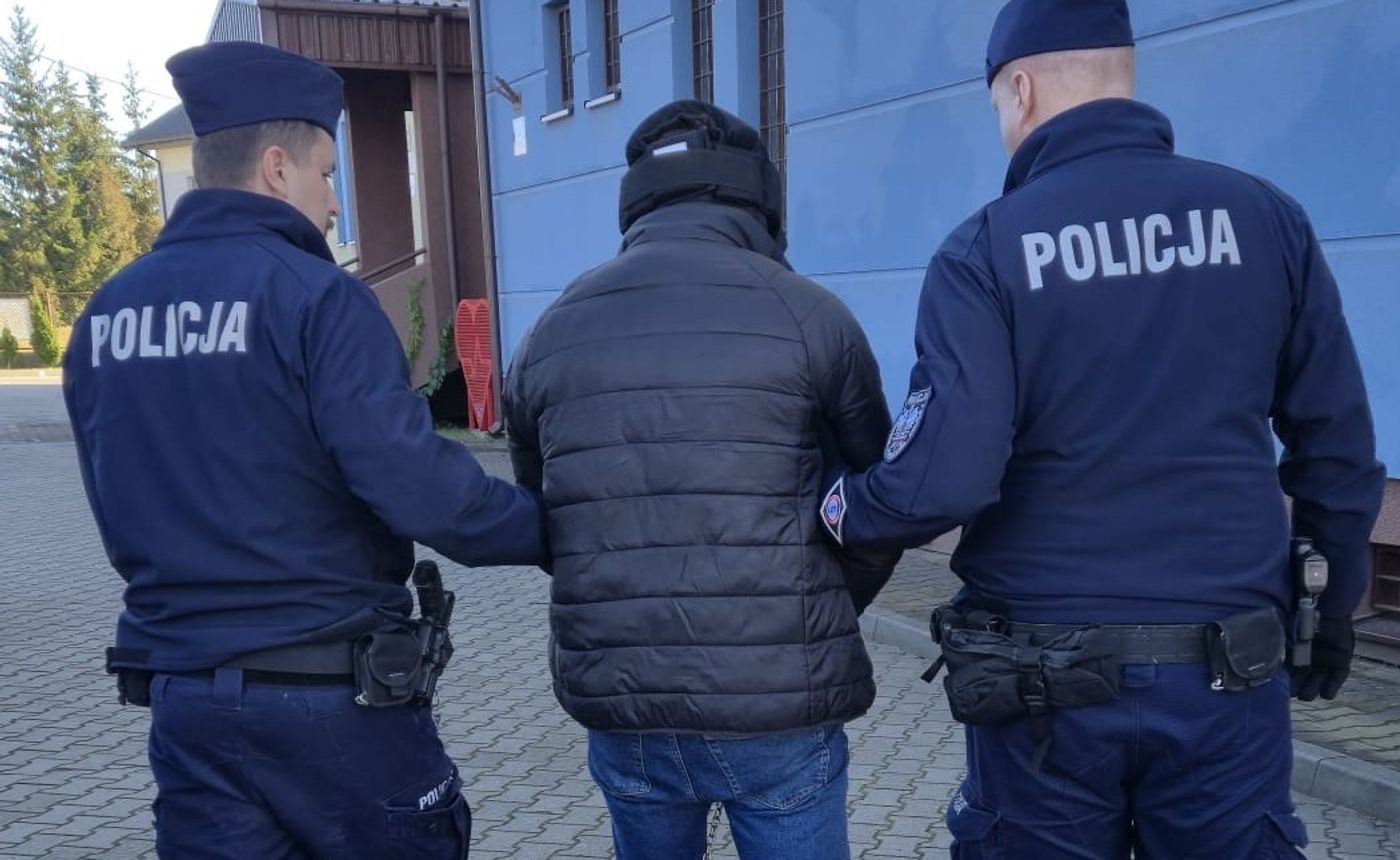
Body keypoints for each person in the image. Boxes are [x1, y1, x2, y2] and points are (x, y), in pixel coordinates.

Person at [816, 1, 1386, 857]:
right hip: (1228, 670)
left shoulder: (987, 250)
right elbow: (1336, 445)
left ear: (1020, 89)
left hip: (1045, 685)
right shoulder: (1265, 218)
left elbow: (942, 478)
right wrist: (1332, 603)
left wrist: (837, 508)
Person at [61, 40, 545, 859]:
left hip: (187, 702)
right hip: (329, 698)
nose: (333, 203)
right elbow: (417, 487)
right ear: (277, 169)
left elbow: (113, 495)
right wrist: (551, 527)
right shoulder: (316, 297)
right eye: (327, 173)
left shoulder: (107, 315)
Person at [503, 99, 900, 860]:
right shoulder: (811, 316)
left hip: (626, 700)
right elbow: (881, 503)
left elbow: (547, 518)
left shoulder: (552, 330)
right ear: (761, 201)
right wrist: (817, 606)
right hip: (780, 702)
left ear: (636, 204)